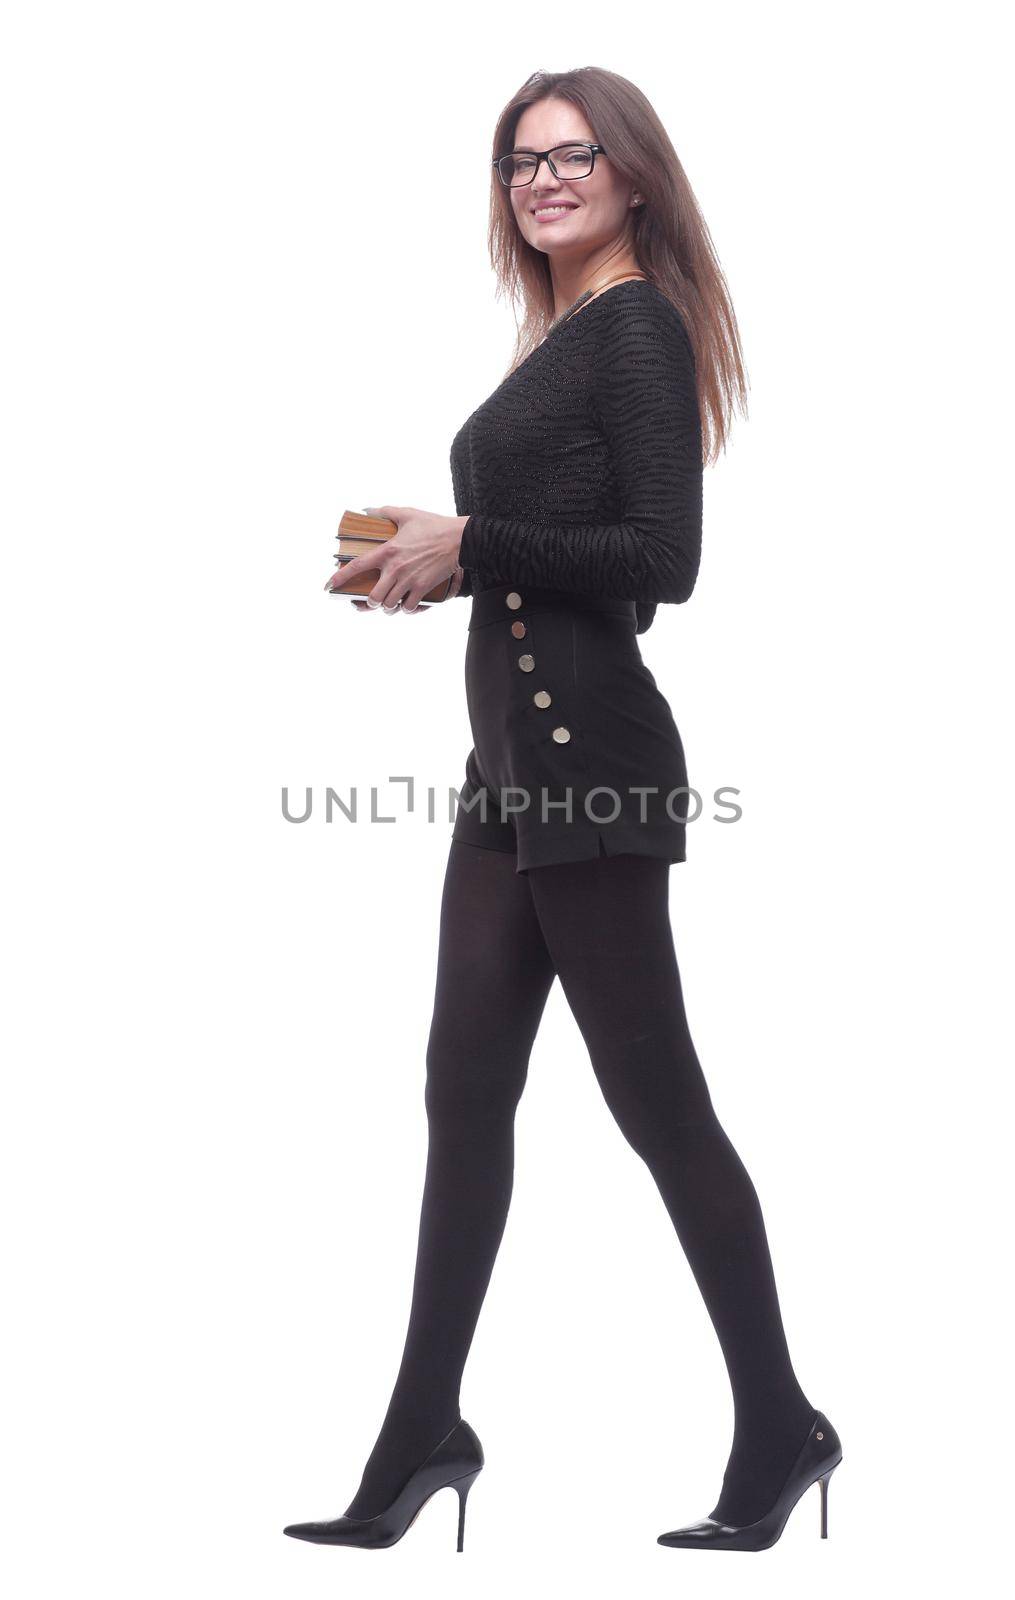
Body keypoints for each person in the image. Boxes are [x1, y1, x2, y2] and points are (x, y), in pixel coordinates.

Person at [284, 66, 842, 1554]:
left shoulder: (638, 327)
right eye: (519, 160)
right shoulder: (565, 333)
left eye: (571, 154)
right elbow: (550, 547)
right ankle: (421, 1434)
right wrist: (440, 554)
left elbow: (665, 558)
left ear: (633, 175)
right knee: (462, 1098)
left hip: (595, 760)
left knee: (658, 1107)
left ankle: (781, 1425)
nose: (542, 179)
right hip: (509, 780)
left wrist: (475, 538)